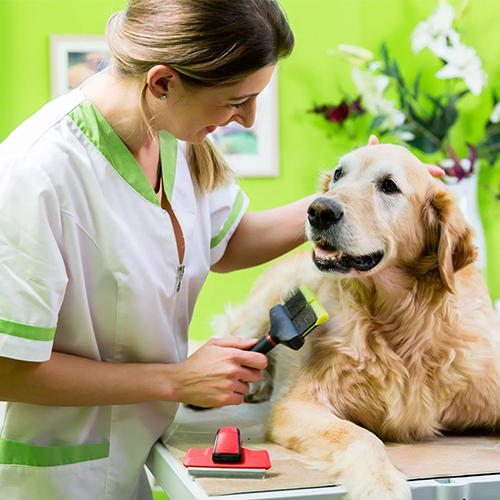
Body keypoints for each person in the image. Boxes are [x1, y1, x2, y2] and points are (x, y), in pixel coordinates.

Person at [0, 1, 444, 499]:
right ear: (164, 82)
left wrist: (347, 204)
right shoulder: (37, 174)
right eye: (238, 100)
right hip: (55, 477)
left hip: (137, 458)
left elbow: (228, 242)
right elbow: (8, 369)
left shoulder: (171, 135)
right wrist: (174, 381)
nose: (250, 120)